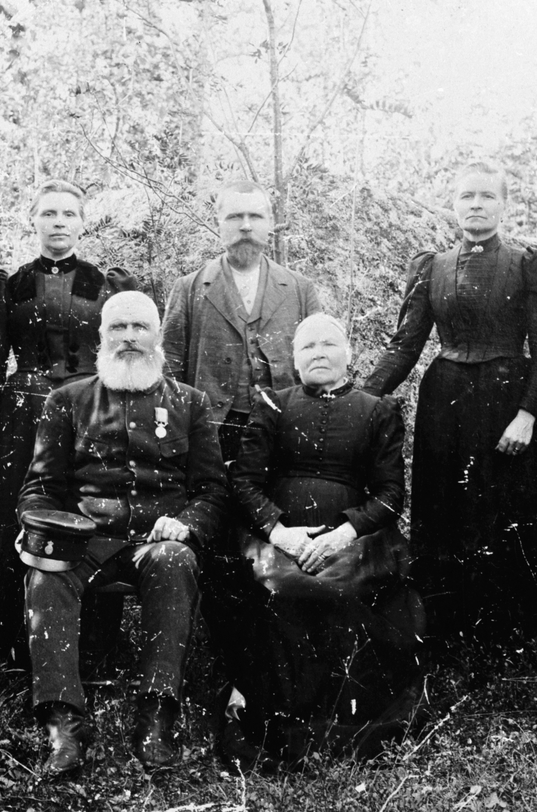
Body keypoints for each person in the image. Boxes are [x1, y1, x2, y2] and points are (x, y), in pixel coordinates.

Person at [16, 291, 228, 774]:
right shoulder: (67, 400)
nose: (129, 337)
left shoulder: (191, 403)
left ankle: (156, 715)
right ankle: (63, 725)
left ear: (157, 336)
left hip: (155, 543)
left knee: (175, 558)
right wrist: (39, 528)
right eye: (118, 327)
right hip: (84, 543)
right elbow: (39, 488)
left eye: (140, 327)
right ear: (101, 336)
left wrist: (186, 525)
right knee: (45, 574)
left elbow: (213, 491)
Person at [362, 162, 537, 646]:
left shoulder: (527, 264)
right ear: (453, 204)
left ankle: (505, 635)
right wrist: (360, 401)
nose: (476, 205)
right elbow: (405, 346)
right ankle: (443, 629)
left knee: (501, 510)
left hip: (505, 402)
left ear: (503, 205)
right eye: (467, 196)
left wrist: (527, 414)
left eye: (487, 196)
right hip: (444, 401)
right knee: (442, 508)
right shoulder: (432, 266)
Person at [217, 314, 423, 766]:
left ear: (348, 354)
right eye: (307, 347)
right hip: (278, 537)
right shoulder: (273, 405)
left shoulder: (377, 410)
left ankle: (342, 726)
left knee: (347, 594)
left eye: (328, 344)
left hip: (354, 539)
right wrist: (279, 533)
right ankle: (279, 724)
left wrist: (345, 533)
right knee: (280, 591)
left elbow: (391, 494)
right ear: (294, 360)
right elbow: (245, 482)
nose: (318, 354)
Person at [0, 179, 136, 673]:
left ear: (82, 222)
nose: (58, 222)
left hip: (90, 417)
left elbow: (124, 363)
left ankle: (85, 655)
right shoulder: (10, 284)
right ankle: (7, 653)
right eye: (49, 213)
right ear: (34, 220)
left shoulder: (107, 285)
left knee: (87, 519)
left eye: (68, 214)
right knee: (13, 524)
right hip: (21, 419)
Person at [161, 180, 321, 466]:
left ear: (270, 223)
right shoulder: (188, 288)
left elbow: (318, 363)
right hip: (212, 431)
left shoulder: (300, 289)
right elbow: (169, 369)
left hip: (285, 429)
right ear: (219, 223)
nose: (246, 226)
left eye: (255, 216)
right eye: (235, 216)